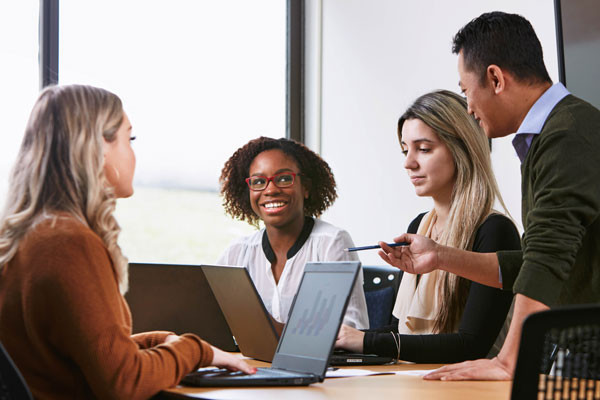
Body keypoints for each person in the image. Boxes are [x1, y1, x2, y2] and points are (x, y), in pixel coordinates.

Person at [380, 12, 600, 381]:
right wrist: (441, 256)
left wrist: (509, 360)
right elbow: (534, 261)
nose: (468, 108)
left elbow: (548, 257)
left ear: (496, 78)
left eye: (467, 91)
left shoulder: (568, 134)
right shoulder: (551, 134)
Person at [0, 84, 254, 399]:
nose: (133, 153)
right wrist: (197, 351)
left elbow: (67, 354)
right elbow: (125, 382)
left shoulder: (23, 237)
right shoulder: (71, 244)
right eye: (128, 139)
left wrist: (157, 342)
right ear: (97, 148)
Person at [335, 90, 520, 362]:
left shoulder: (494, 231)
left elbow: (471, 346)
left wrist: (365, 340)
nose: (409, 163)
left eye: (423, 149)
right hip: (417, 380)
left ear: (463, 149)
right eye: (405, 150)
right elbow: (404, 330)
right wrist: (347, 338)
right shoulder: (419, 226)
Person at [218, 136, 368, 329]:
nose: (270, 190)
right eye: (258, 181)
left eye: (284, 179)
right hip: (249, 360)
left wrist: (273, 332)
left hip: (315, 360)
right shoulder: (237, 252)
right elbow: (212, 318)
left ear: (305, 187)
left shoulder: (332, 242)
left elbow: (352, 328)